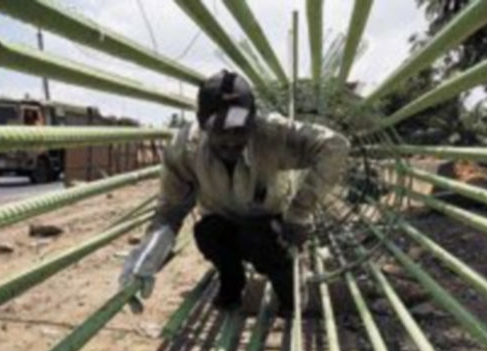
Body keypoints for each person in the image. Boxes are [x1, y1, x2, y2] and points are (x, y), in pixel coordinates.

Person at [119, 70, 350, 314]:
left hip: (269, 227)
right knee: (207, 233)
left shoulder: (271, 134)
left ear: (252, 120)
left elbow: (335, 146)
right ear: (201, 122)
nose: (230, 140)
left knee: (260, 239)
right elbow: (169, 213)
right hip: (223, 224)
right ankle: (232, 285)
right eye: (220, 129)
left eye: (240, 128)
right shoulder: (185, 149)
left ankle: (290, 294)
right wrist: (146, 258)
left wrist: (300, 211)